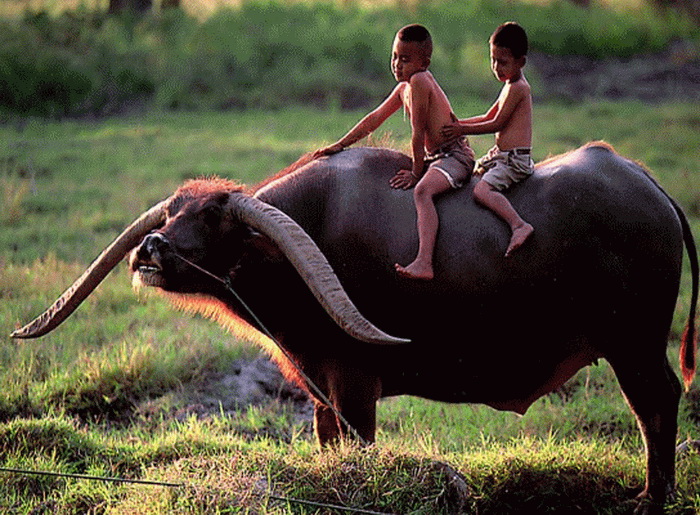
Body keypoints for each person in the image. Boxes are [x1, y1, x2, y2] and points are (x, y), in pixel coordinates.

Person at [313, 24, 474, 280]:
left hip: (454, 156)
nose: (397, 64)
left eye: (406, 59)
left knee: (422, 192)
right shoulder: (404, 88)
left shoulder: (420, 81)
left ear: (424, 62)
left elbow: (418, 133)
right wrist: (341, 144)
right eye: (395, 57)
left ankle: (424, 262)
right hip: (436, 156)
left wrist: (416, 172)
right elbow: (374, 119)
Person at [442, 22, 534, 257]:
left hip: (513, 161)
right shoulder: (508, 85)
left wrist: (461, 130)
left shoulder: (519, 88)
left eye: (502, 62)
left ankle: (519, 225)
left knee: (481, 191)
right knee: (470, 175)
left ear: (521, 62)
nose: (496, 67)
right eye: (493, 60)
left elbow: (497, 124)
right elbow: (487, 115)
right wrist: (459, 124)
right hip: (500, 155)